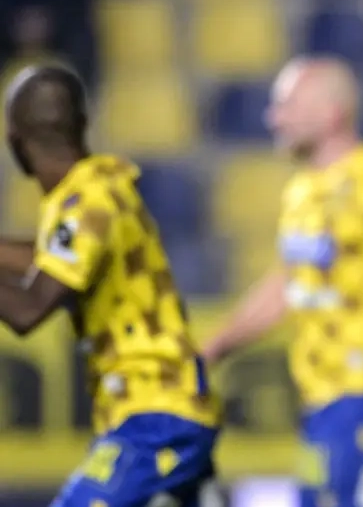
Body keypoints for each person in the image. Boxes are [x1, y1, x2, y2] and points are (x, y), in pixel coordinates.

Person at [201, 56, 363, 507]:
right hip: (319, 396)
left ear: (331, 113)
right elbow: (288, 287)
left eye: (286, 105)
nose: (274, 118)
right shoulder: (302, 192)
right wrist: (213, 348)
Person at [0, 64, 222, 506]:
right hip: (163, 409)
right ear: (84, 123)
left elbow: (29, 307)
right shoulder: (96, 190)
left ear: (14, 142)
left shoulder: (87, 203)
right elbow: (48, 263)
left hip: (155, 416)